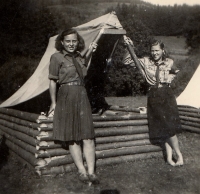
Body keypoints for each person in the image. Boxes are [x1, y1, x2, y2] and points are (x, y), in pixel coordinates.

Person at [48, 29, 99, 184]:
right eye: (68, 41)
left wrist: (91, 51)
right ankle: (82, 171)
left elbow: (83, 70)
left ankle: (91, 172)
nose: (71, 44)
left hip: (81, 95)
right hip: (66, 96)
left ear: (78, 42)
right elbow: (52, 81)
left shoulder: (79, 57)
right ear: (62, 42)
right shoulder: (56, 57)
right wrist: (53, 102)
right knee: (72, 138)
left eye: (74, 41)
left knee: (88, 136)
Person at [124, 37, 184, 167]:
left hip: (167, 95)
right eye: (152, 51)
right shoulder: (146, 61)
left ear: (163, 50)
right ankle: (170, 157)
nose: (154, 53)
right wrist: (129, 47)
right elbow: (127, 61)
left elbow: (177, 71)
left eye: (157, 50)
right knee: (164, 127)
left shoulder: (169, 62)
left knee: (169, 126)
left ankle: (178, 155)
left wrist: (169, 79)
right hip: (153, 95)